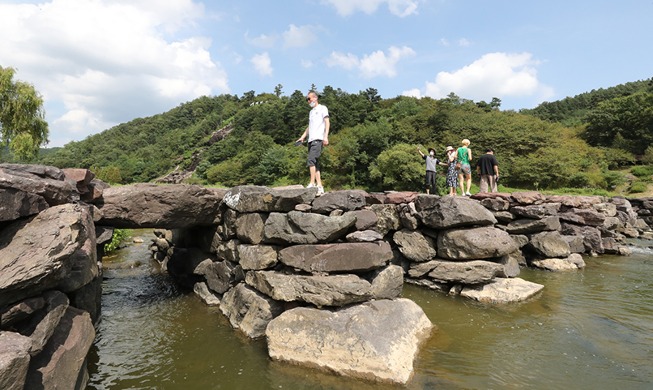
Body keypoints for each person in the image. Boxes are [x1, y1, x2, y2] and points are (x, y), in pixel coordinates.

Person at [296, 91, 330, 196]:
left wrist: (326, 136)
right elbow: (309, 127)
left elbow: (327, 122)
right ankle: (320, 186)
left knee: (311, 160)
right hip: (310, 140)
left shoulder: (322, 108)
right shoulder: (311, 112)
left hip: (318, 138)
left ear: (315, 98)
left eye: (309, 99)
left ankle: (312, 183)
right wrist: (302, 137)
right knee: (315, 163)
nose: (308, 101)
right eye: (307, 99)